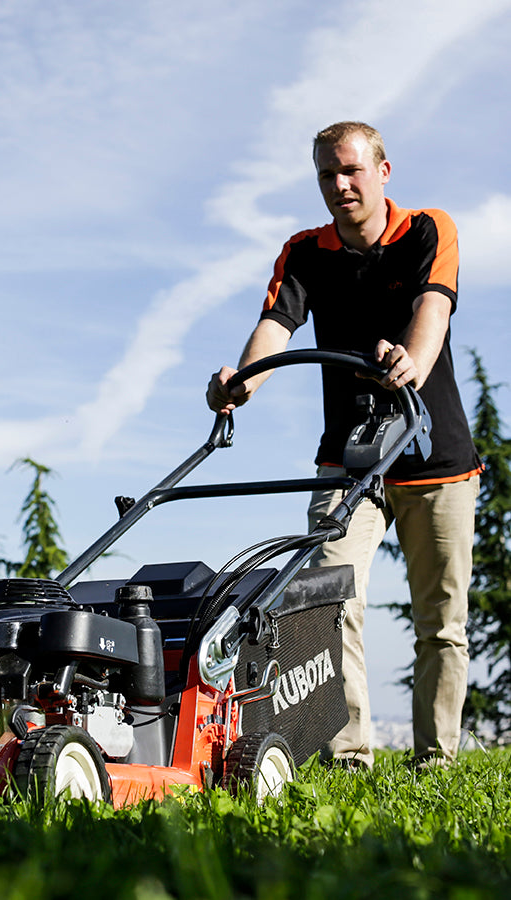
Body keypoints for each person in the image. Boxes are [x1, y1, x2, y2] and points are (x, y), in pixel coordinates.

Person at [207, 121, 481, 769]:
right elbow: (276, 322)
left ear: (382, 171)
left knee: (441, 620)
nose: (340, 184)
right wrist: (240, 383)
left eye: (352, 170)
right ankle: (349, 752)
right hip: (347, 459)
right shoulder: (306, 252)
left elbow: (433, 308)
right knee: (329, 602)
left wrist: (410, 360)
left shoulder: (427, 230)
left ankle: (435, 758)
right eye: (328, 174)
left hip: (434, 457)